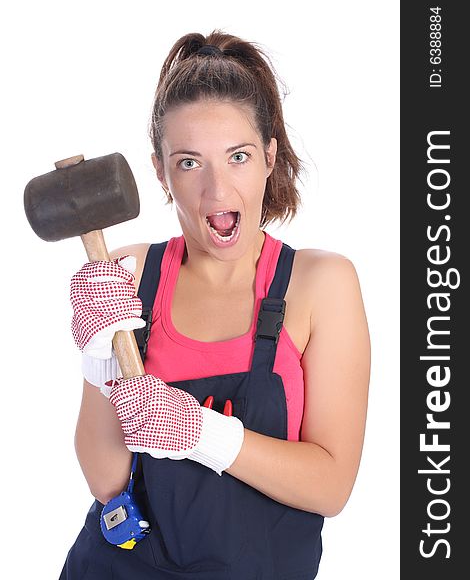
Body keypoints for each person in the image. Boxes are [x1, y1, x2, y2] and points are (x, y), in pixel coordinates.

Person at [59, 29, 370, 579]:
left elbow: (331, 485)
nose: (217, 190)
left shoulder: (321, 284)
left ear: (270, 157)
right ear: (159, 171)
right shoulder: (126, 276)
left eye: (238, 156)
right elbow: (109, 483)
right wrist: (99, 360)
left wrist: (202, 434)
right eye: (188, 162)